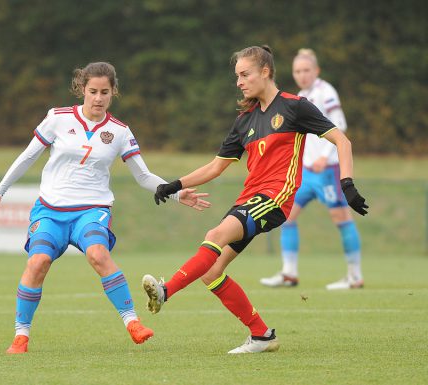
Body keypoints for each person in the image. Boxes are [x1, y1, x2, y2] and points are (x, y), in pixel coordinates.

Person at [141, 45, 368, 354]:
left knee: (214, 235)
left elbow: (341, 140)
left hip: (276, 198)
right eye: (237, 76)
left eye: (245, 74)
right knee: (211, 271)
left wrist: (347, 184)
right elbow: (216, 166)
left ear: (265, 72)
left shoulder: (295, 107)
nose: (239, 82)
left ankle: (166, 291)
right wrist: (174, 185)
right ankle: (262, 335)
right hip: (249, 199)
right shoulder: (244, 120)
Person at [0, 62, 210, 354]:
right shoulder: (57, 119)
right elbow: (27, 157)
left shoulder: (120, 131)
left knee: (97, 254)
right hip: (50, 209)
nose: (98, 98)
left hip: (92, 209)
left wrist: (177, 193)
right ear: (82, 90)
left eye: (105, 92)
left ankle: (133, 323)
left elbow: (142, 175)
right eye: (93, 91)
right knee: (37, 263)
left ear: (113, 92)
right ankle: (21, 336)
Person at [260, 48, 364, 290]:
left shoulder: (325, 92)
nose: (302, 75)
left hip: (327, 171)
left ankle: (355, 276)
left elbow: (340, 124)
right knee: (286, 216)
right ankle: (289, 273)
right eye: (297, 71)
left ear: (316, 71)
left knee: (341, 218)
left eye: (306, 70)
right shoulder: (301, 96)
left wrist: (326, 156)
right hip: (306, 173)